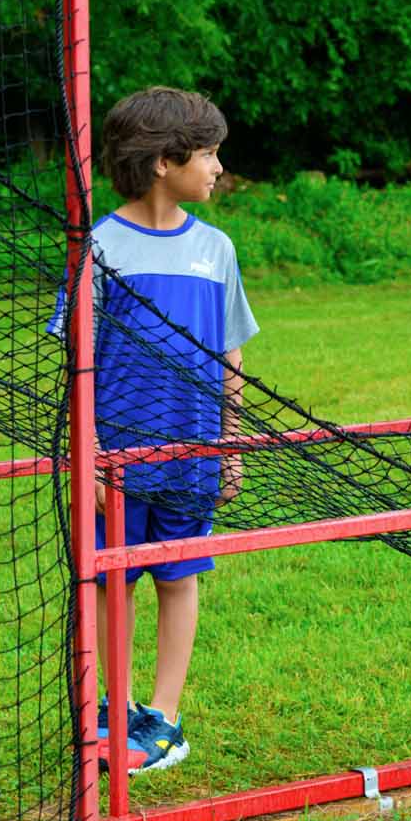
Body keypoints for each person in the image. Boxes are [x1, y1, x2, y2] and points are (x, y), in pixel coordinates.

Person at [62, 85, 255, 771]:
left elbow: (232, 356)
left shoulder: (216, 250)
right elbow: (76, 361)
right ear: (163, 162)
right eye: (208, 154)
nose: (218, 168)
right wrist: (85, 457)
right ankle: (113, 708)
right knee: (115, 582)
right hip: (114, 461)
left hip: (193, 456)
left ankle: (164, 719)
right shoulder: (101, 246)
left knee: (179, 578)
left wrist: (229, 448)